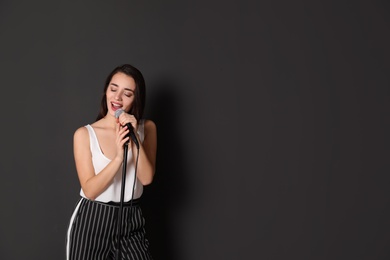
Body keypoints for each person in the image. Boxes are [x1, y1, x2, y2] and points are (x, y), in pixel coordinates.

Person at [66, 64, 157, 260]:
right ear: (106, 91)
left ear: (136, 99)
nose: (117, 98)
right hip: (92, 221)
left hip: (131, 220)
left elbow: (147, 177)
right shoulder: (84, 134)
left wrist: (133, 139)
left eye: (127, 93)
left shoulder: (147, 128)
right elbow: (90, 190)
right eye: (113, 89)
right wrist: (118, 158)